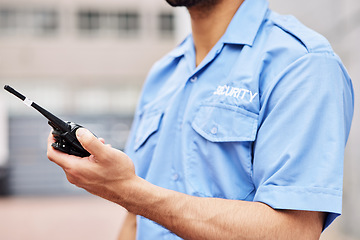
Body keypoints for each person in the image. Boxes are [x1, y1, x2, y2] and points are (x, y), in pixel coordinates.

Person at [47, 0, 354, 239]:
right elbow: (135, 220)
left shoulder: (302, 64)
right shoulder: (163, 74)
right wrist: (130, 194)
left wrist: (130, 192)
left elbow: (294, 233)